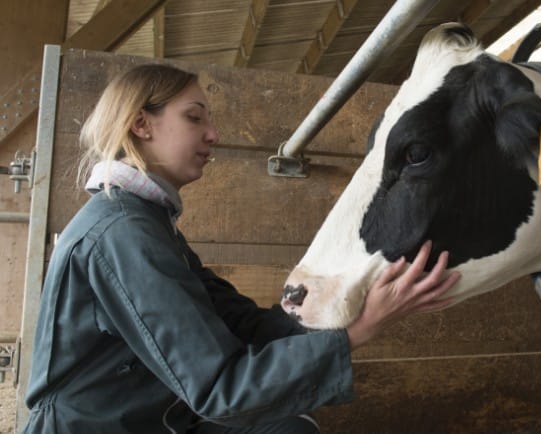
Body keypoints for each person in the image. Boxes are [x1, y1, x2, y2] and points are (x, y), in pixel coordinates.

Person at [23, 63, 461, 434]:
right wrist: (357, 332)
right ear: (142, 124)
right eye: (194, 118)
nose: (213, 134)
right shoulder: (123, 233)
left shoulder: (146, 222)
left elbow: (242, 324)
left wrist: (349, 301)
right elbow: (219, 388)